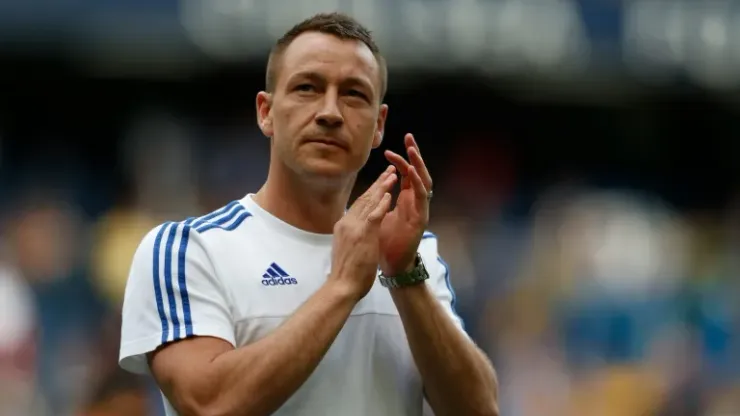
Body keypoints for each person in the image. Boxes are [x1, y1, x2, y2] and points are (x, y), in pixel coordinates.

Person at [118, 12, 498, 416]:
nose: (330, 112)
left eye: (354, 94)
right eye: (307, 88)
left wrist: (404, 275)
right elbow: (208, 404)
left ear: (378, 125)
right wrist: (341, 287)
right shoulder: (188, 250)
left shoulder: (414, 259)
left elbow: (480, 409)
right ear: (266, 112)